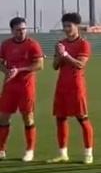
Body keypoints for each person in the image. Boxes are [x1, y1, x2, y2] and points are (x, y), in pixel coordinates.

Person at [48, 12, 94, 164]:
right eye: (64, 26)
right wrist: (59, 55)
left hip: (76, 85)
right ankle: (63, 153)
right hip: (62, 85)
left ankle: (88, 153)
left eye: (69, 26)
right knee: (60, 118)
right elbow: (55, 66)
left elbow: (80, 64)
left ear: (77, 26)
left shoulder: (83, 44)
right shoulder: (60, 44)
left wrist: (65, 54)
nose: (66, 29)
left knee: (82, 118)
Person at [0, 17, 44, 162]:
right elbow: (0, 62)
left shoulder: (33, 45)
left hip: (26, 86)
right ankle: (1, 149)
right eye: (18, 30)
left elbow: (39, 65)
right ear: (12, 31)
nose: (22, 32)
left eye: (24, 29)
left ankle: (29, 150)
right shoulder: (6, 45)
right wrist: (7, 71)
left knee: (27, 117)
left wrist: (19, 70)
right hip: (9, 86)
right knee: (3, 117)